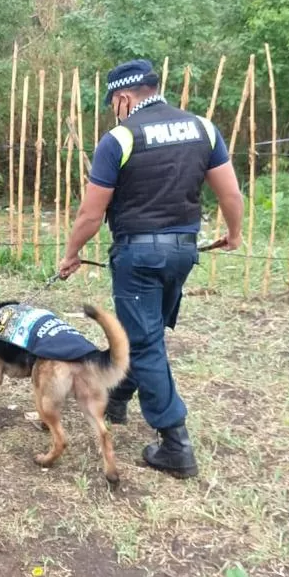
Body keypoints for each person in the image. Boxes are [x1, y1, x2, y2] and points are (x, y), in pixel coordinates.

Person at [57, 59, 244, 479]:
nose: (114, 111)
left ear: (124, 98)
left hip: (138, 255)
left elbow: (91, 213)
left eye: (113, 104)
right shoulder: (203, 128)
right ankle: (119, 398)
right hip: (181, 252)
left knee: (143, 342)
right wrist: (234, 233)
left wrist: (71, 253)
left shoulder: (120, 137)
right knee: (147, 331)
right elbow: (230, 193)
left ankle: (175, 442)